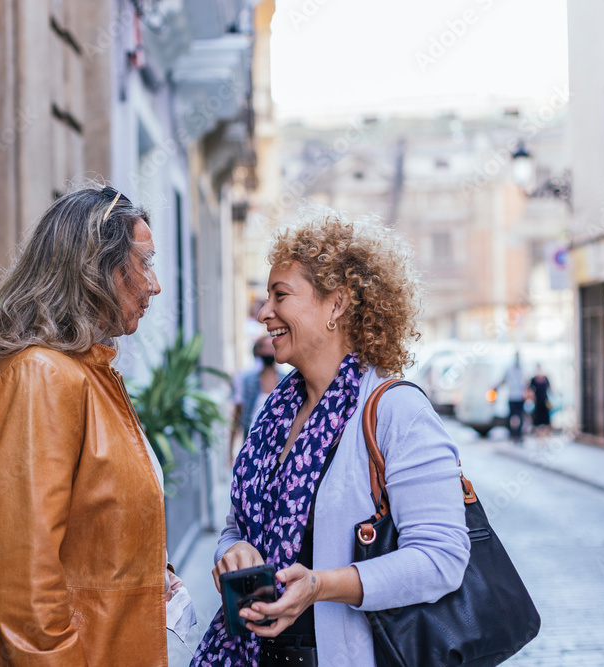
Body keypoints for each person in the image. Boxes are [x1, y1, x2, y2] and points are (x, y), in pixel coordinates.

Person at [192, 210, 470, 666]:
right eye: (266, 298)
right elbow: (236, 527)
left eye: (280, 296)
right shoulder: (274, 414)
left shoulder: (396, 412)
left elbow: (442, 557)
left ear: (337, 305)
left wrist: (322, 585)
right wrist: (234, 551)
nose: (264, 313)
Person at [0, 186, 182, 666]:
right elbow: (25, 588)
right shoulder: (40, 378)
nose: (154, 285)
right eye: (145, 262)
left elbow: (90, 538)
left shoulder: (84, 373)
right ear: (97, 269)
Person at [231, 336, 286, 448]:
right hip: (252, 441)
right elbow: (238, 414)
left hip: (279, 442)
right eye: (265, 347)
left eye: (272, 347)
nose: (268, 351)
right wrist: (231, 448)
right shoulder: (247, 381)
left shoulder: (286, 381)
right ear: (258, 351)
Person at [495, 353, 527, 443]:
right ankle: (513, 434)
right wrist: (496, 387)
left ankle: (518, 435)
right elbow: (503, 380)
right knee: (512, 417)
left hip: (520, 397)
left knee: (519, 417)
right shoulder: (511, 369)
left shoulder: (523, 369)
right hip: (514, 396)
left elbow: (526, 382)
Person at [528, 365, 552, 438]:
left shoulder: (545, 379)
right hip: (537, 403)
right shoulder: (533, 380)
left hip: (545, 402)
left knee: (546, 420)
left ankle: (546, 436)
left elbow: (550, 389)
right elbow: (530, 390)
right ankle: (539, 436)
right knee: (537, 420)